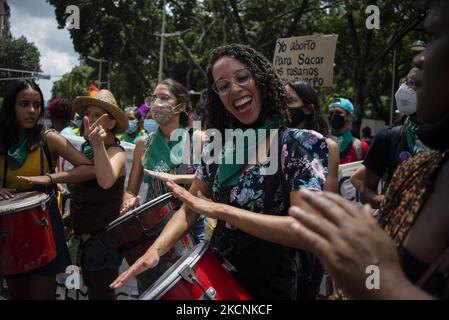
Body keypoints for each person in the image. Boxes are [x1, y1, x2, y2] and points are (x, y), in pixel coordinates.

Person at [111, 44, 329, 300]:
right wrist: (155, 251)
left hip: (269, 287)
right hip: (216, 277)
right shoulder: (220, 147)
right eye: (223, 85)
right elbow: (190, 208)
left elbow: (304, 230)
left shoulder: (299, 144)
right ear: (218, 97)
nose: (235, 89)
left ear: (261, 80)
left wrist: (222, 210)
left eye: (242, 77)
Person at [288, 0, 449, 299]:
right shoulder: (419, 170)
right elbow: (365, 187)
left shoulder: (337, 146)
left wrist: (384, 285)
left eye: (436, 38)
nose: (420, 59)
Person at [19, 89, 129, 300]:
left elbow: (106, 182)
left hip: (102, 242)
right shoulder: (87, 150)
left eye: (99, 115)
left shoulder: (117, 152)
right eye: (88, 114)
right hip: (83, 241)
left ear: (112, 123)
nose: (90, 119)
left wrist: (98, 144)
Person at [0, 80, 93, 300]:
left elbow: (89, 168)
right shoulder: (1, 139)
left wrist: (50, 177)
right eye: (24, 104)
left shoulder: (48, 138)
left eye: (36, 105)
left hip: (44, 226)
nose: (32, 110)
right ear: (11, 106)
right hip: (9, 229)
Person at [120, 79, 206, 242]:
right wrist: (128, 201)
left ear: (181, 106)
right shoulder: (143, 144)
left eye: (164, 98)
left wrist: (176, 178)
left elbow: (210, 182)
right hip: (154, 227)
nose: (157, 104)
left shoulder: (197, 140)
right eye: (153, 99)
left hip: (190, 226)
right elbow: (131, 190)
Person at [356, 67, 429, 209]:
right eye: (407, 82)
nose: (407, 88)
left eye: (415, 83)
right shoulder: (387, 137)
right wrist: (388, 202)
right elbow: (366, 191)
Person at [285, 80, 339, 193]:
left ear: (308, 109)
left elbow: (328, 197)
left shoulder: (329, 147)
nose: (283, 105)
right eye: (281, 99)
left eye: (290, 100)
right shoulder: (269, 141)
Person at [328, 97, 368, 164]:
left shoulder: (360, 147)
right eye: (331, 113)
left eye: (338, 112)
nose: (333, 115)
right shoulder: (320, 142)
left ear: (349, 116)